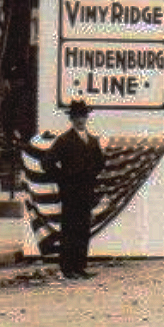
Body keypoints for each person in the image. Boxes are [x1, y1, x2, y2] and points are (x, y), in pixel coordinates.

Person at [44, 99, 105, 280]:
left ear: (87, 118)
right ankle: (67, 268)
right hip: (70, 193)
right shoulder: (64, 140)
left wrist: (91, 176)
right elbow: (47, 162)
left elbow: (101, 163)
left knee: (83, 229)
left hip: (86, 192)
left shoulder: (93, 141)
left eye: (83, 116)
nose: (80, 120)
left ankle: (80, 266)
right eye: (77, 116)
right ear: (71, 119)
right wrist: (63, 179)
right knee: (69, 229)